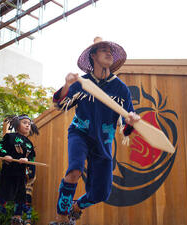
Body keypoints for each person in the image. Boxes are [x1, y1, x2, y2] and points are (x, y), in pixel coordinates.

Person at [50, 37, 140, 225]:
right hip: (79, 133)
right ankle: (62, 218)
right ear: (93, 56)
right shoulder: (81, 83)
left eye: (110, 50)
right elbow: (58, 105)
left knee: (101, 193)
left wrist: (131, 121)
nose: (108, 53)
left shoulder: (120, 88)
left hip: (104, 140)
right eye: (103, 50)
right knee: (74, 170)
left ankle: (77, 206)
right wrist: (67, 85)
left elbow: (125, 129)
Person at [0, 114, 38, 225]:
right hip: (9, 172)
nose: (27, 125)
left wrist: (27, 160)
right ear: (17, 124)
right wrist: (5, 155)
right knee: (4, 195)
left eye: (29, 124)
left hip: (21, 175)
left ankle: (17, 219)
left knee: (21, 197)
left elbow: (32, 157)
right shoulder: (10, 137)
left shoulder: (29, 144)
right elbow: (0, 147)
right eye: (24, 123)